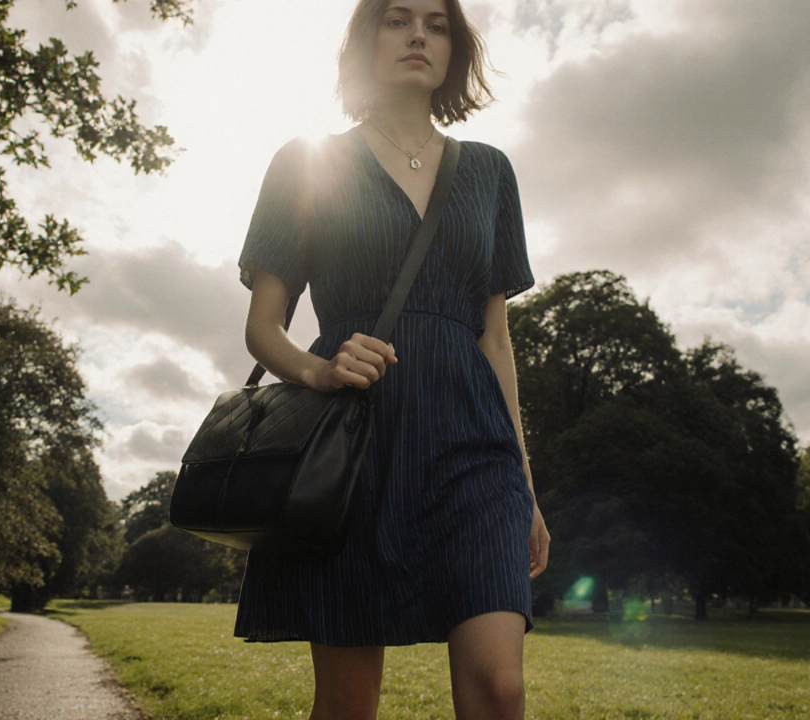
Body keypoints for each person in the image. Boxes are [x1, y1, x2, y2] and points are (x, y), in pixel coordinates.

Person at [235, 0, 550, 718]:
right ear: (364, 40)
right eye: (397, 18)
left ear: (454, 49)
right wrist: (317, 369)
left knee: (500, 688)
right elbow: (262, 327)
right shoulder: (307, 161)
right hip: (354, 444)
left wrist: (526, 485)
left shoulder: (490, 173)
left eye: (437, 24)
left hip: (475, 449)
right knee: (349, 704)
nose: (418, 34)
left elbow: (495, 339)